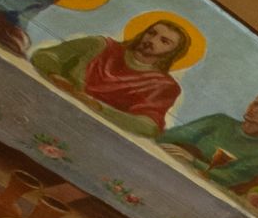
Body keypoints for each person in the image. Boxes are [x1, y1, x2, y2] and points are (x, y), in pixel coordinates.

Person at [33, 9, 204, 129]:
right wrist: (56, 76)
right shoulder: (99, 45)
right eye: (151, 33)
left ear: (172, 53)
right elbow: (45, 56)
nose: (152, 40)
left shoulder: (163, 86)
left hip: (93, 128)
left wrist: (98, 107)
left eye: (164, 41)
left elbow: (148, 125)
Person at [167, 88, 258, 196]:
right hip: (174, 166)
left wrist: (193, 160)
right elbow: (174, 135)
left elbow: (230, 177)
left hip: (207, 191)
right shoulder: (220, 120)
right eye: (256, 104)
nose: (255, 110)